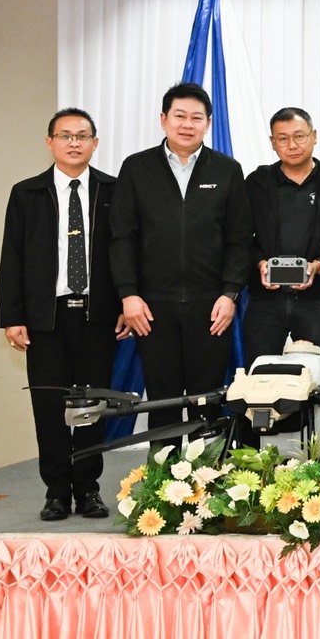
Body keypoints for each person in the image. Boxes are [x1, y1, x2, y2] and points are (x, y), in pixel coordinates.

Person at [0, 108, 126, 521]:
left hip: (97, 315)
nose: (74, 142)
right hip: (45, 318)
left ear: (95, 143)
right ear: (49, 142)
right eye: (65, 135)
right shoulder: (27, 193)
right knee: (49, 406)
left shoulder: (114, 190)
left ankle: (88, 489)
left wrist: (126, 302)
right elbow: (12, 256)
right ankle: (55, 492)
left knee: (91, 405)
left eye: (82, 135)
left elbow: (126, 253)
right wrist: (12, 316)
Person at [111, 83, 252, 445]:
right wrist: (128, 295)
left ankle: (206, 478)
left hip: (211, 306)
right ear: (164, 119)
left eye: (196, 118)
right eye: (180, 116)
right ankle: (164, 477)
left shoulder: (227, 170)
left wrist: (230, 294)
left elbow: (239, 240)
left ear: (208, 123)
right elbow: (122, 237)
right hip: (152, 307)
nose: (187, 124)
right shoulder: (137, 168)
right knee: (163, 400)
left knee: (208, 400)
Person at [243, 107, 320, 364]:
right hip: (264, 301)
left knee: (315, 376)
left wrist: (319, 265)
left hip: (315, 301)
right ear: (272, 142)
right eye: (283, 139)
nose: (292, 145)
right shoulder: (257, 182)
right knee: (259, 374)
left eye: (299, 136)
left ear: (314, 136)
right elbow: (240, 237)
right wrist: (259, 263)